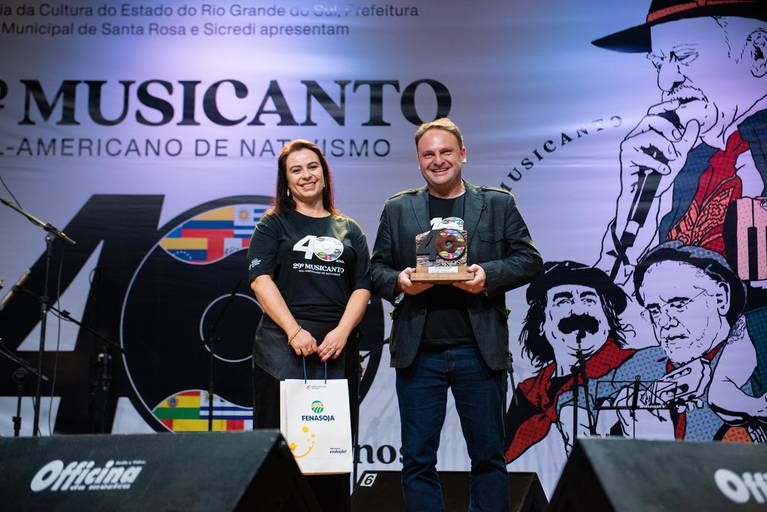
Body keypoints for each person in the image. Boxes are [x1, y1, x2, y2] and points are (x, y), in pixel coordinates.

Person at [370, 117, 543, 512]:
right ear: (418, 160)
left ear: (463, 154)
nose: (438, 160)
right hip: (419, 353)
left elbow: (529, 260)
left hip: (478, 351)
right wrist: (401, 281)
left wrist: (487, 276)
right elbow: (376, 270)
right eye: (428, 154)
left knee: (488, 457)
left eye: (445, 151)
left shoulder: (497, 204)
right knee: (417, 459)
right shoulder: (398, 208)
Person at [593, 1, 767, 284]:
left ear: (759, 53)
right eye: (659, 63)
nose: (665, 82)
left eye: (683, 56)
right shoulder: (694, 165)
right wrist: (636, 209)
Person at [247, 139, 371, 511]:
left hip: (336, 349)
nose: (306, 175)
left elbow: (362, 287)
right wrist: (294, 331)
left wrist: (342, 332)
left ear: (324, 174)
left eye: (312, 167)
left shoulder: (349, 229)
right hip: (282, 350)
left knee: (331, 455)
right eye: (296, 170)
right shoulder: (273, 224)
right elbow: (260, 280)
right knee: (281, 458)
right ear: (285, 181)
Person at [604, 241, 766, 441]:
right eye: (655, 310)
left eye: (678, 304)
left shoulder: (754, 361)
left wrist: (657, 447)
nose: (665, 322)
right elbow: (589, 395)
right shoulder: (643, 362)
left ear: (721, 298)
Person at [505, 261, 635, 461]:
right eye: (563, 301)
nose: (578, 311)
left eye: (589, 300)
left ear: (608, 319)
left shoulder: (640, 365)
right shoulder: (528, 393)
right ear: (541, 323)